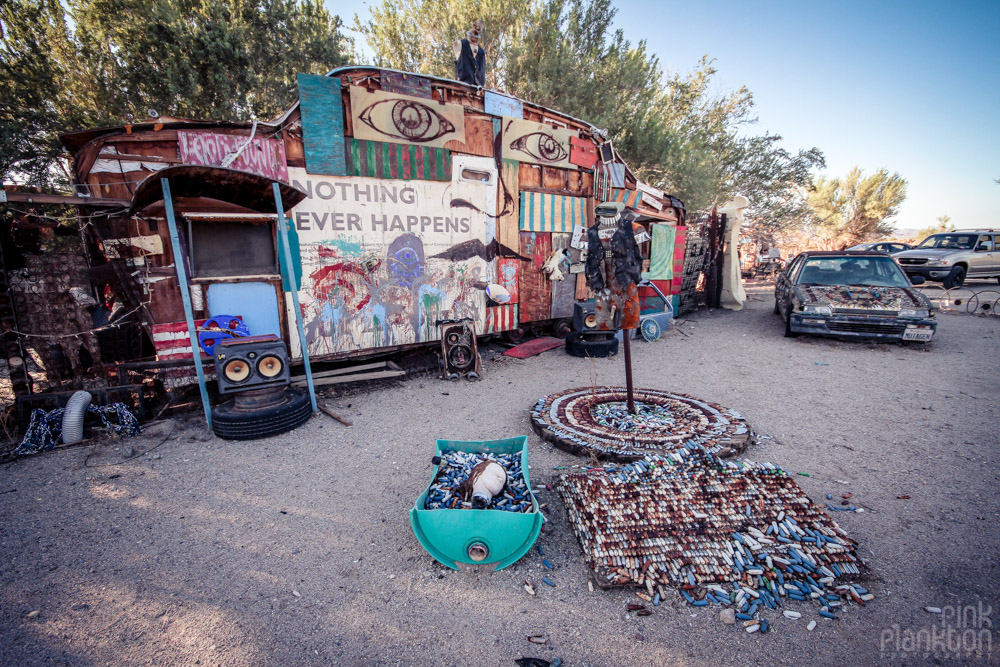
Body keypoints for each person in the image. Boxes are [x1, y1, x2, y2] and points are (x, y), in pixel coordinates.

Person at [454, 21, 486, 87]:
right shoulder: (461, 44)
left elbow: (482, 70)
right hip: (463, 83)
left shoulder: (481, 52)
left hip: (477, 86)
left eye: (476, 37)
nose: (474, 38)